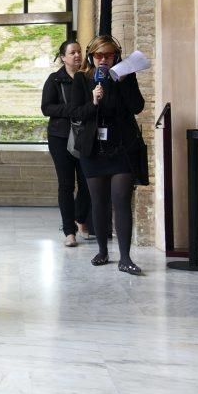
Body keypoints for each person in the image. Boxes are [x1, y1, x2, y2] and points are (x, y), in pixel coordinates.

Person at [70, 35, 145, 275]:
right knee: (99, 201)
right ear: (91, 56)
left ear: (117, 56)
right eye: (99, 55)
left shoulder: (125, 75)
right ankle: (102, 251)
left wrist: (123, 82)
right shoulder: (83, 79)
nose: (104, 60)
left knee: (121, 199)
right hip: (93, 149)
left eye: (109, 55)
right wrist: (93, 101)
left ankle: (125, 257)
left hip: (121, 147)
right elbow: (75, 112)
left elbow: (137, 106)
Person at [41, 40, 92, 247]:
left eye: (79, 52)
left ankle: (80, 219)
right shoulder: (55, 80)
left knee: (87, 182)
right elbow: (46, 108)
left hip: (85, 136)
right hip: (60, 137)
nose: (77, 55)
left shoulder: (88, 77)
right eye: (73, 53)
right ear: (63, 57)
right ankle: (69, 231)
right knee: (66, 184)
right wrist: (72, 110)